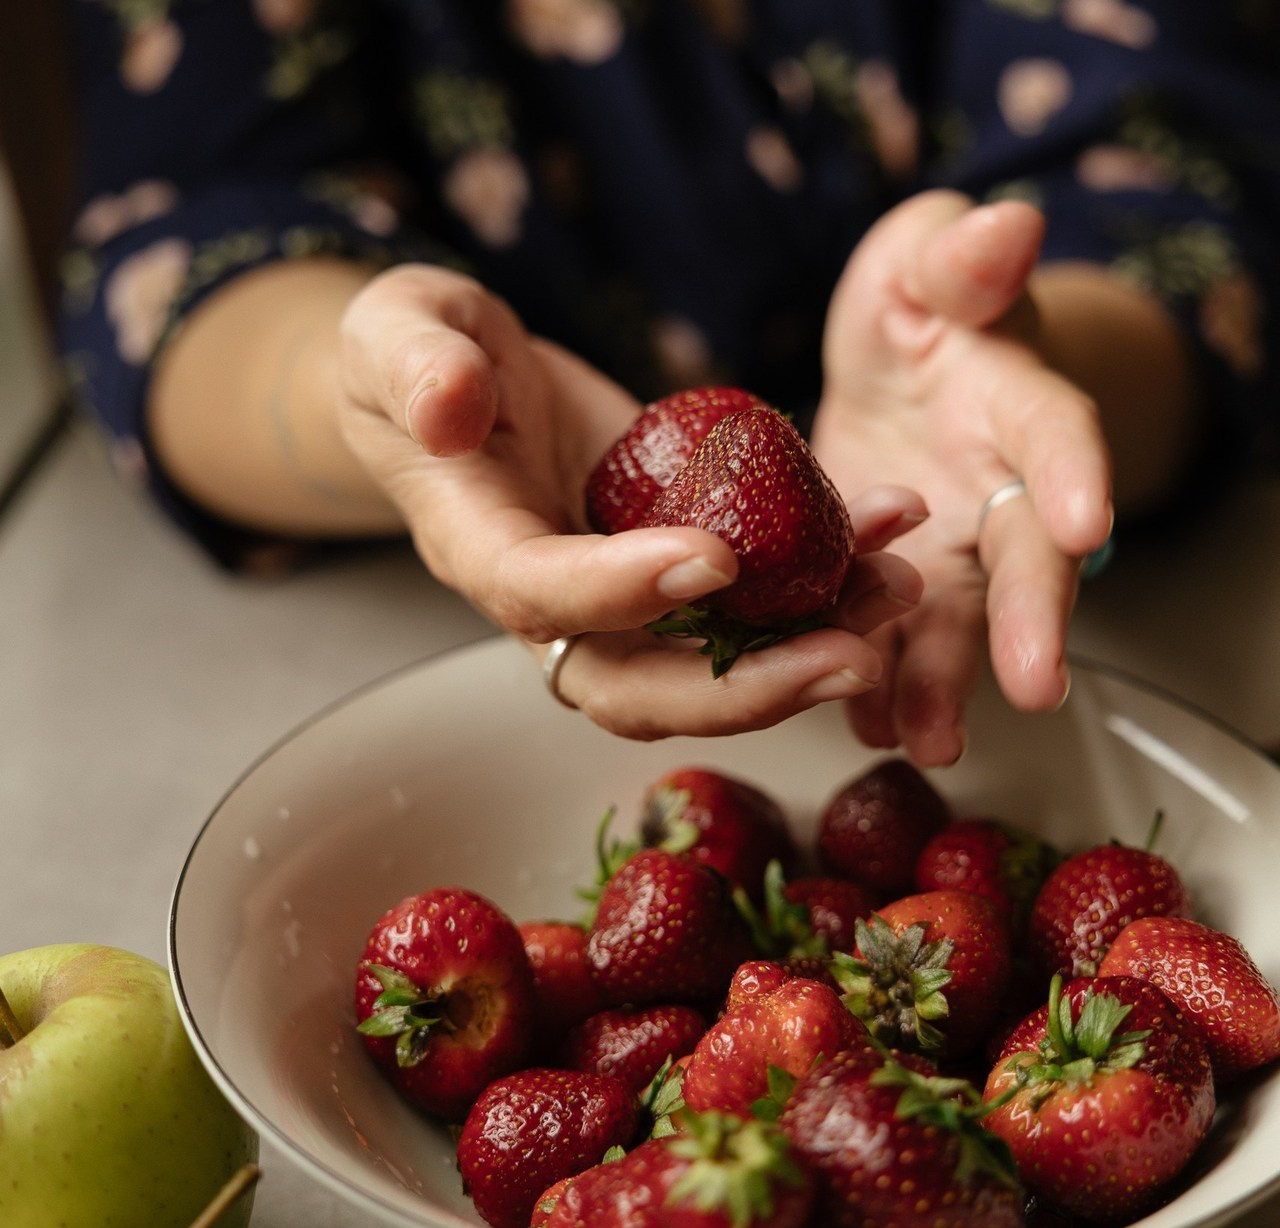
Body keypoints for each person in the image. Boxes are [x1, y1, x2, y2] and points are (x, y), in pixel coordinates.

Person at [55, 0, 1279, 766]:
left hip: (1152, 654)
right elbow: (183, 238)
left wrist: (1029, 358)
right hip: (377, 691)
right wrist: (375, 395)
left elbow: (1176, 183)